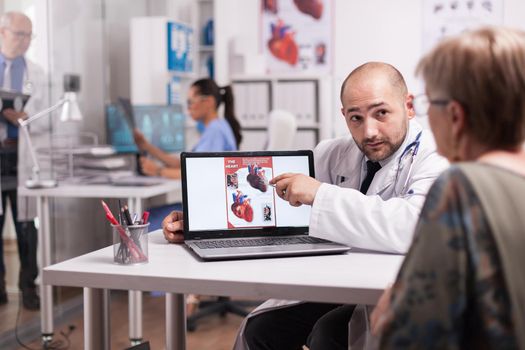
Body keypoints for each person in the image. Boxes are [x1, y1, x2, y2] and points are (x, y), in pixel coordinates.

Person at [162, 62, 449, 349]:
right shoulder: (333, 152)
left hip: (392, 292)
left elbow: (413, 227)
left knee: (328, 335)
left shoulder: (436, 158)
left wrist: (320, 194)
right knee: (260, 330)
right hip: (339, 284)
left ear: (408, 106)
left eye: (381, 113)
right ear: (344, 116)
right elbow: (267, 196)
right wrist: (202, 220)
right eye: (356, 118)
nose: (369, 131)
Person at [371, 27, 525, 350]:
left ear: (455, 115)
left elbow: (409, 339)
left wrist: (391, 311)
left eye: (430, 102)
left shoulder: (462, 189)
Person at [0, 11, 48, 310]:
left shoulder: (36, 73)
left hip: (21, 157)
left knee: (27, 226)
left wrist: (28, 118)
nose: (26, 41)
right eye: (20, 34)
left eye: (30, 35)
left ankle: (28, 287)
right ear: (3, 32)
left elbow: (44, 113)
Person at [133, 78, 242, 181]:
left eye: (190, 102)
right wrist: (146, 146)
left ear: (208, 102)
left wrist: (157, 170)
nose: (188, 108)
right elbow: (185, 164)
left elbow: (196, 173)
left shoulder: (215, 131)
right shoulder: (217, 126)